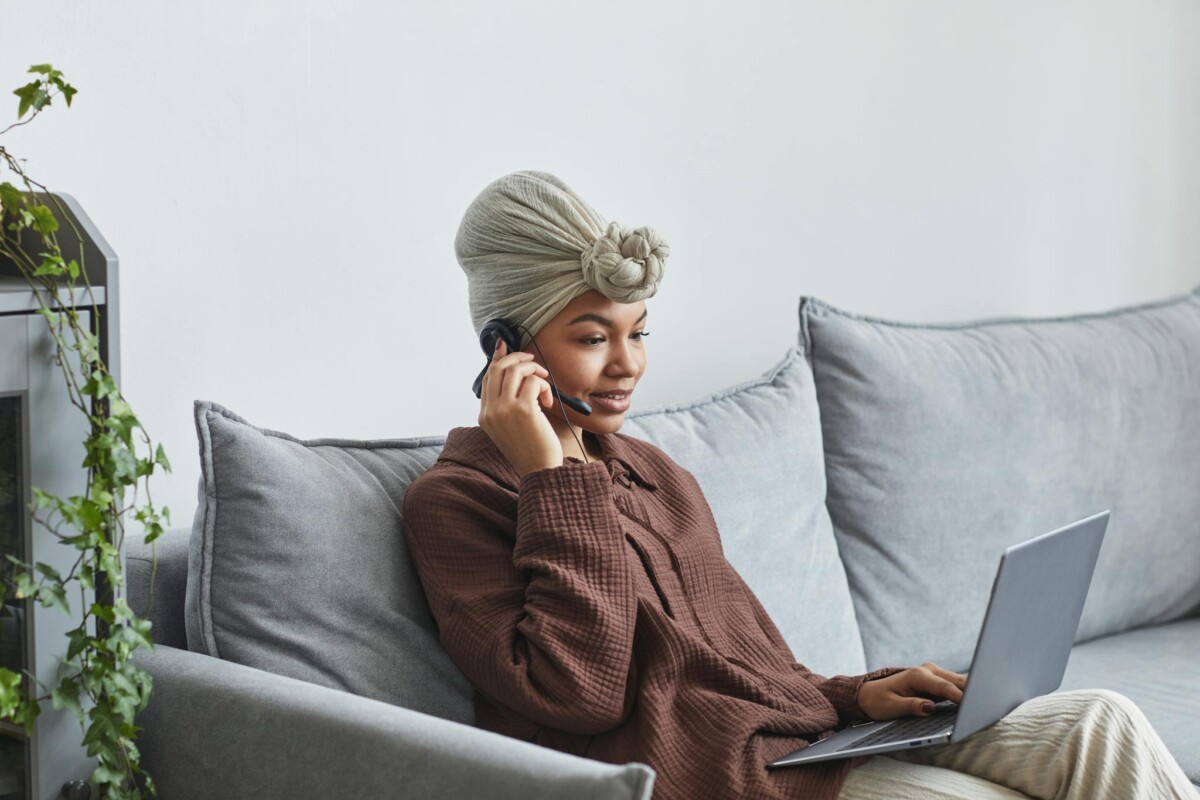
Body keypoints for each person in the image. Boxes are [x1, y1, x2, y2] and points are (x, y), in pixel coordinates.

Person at [401, 170, 1197, 800]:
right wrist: (549, 477)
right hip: (724, 782)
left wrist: (859, 697)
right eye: (591, 337)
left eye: (638, 332)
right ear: (507, 347)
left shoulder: (652, 474)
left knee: (1103, 720)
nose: (628, 365)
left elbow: (747, 667)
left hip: (794, 744)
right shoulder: (456, 504)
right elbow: (581, 695)